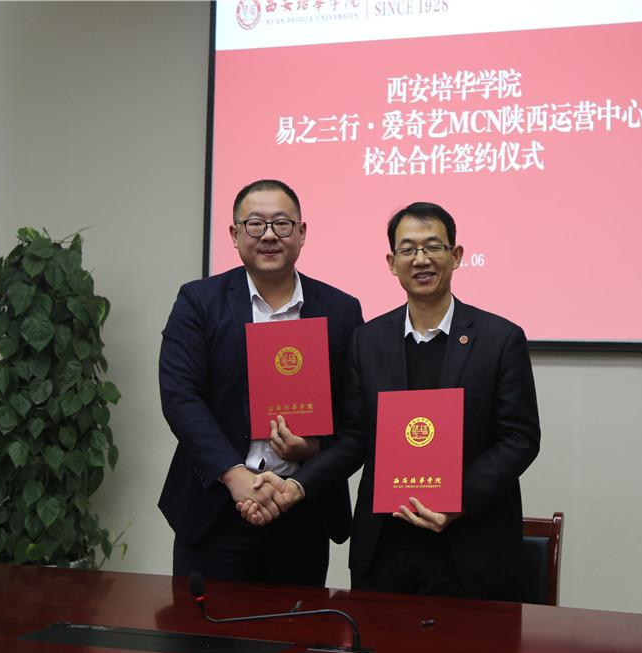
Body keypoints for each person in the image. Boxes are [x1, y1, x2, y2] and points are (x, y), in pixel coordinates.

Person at [244, 201, 540, 600]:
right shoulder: (368, 341)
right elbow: (354, 438)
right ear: (391, 262)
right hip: (385, 548)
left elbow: (520, 438)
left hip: (470, 545)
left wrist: (458, 499)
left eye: (433, 247)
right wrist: (297, 485)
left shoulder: (500, 339)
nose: (421, 259)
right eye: (408, 249)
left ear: (456, 256)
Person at [158, 179, 363, 586]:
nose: (269, 235)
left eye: (282, 224)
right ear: (235, 234)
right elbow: (181, 397)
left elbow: (356, 416)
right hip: (216, 509)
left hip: (302, 509)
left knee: (297, 625)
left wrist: (312, 452)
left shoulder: (340, 310)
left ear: (301, 232)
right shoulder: (199, 301)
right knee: (203, 627)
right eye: (255, 224)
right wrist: (236, 477)